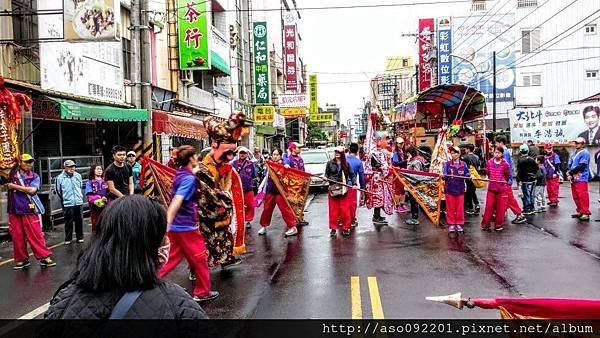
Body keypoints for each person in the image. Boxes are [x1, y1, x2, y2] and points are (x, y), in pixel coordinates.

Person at [44, 195, 208, 320]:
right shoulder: (178, 306)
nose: (166, 242)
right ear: (149, 246)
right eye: (163, 237)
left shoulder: (62, 303)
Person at [158, 145, 219, 303]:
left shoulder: (181, 174)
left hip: (177, 227)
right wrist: (166, 223)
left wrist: (195, 171)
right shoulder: (188, 179)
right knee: (200, 258)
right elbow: (177, 201)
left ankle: (146, 284)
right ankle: (202, 292)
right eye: (195, 155)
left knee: (170, 260)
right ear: (191, 158)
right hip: (186, 228)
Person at [201, 112, 249, 268]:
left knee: (225, 235)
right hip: (206, 215)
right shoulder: (203, 170)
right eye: (227, 152)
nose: (230, 157)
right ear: (214, 146)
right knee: (204, 242)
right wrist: (225, 193)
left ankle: (226, 259)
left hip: (221, 212)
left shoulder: (226, 167)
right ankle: (197, 268)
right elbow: (208, 198)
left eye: (232, 152)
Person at [3, 154, 56, 269]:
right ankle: (21, 259)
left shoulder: (34, 176)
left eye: (31, 162)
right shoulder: (11, 175)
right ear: (20, 162)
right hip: (14, 210)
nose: (29, 164)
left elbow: (32, 190)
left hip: (29, 209)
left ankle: (44, 256)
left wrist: (14, 186)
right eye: (26, 162)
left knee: (35, 234)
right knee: (17, 236)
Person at [258, 148, 298, 237]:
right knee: (266, 209)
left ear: (280, 156)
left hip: (280, 192)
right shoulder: (269, 165)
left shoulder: (284, 165)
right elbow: (265, 177)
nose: (275, 156)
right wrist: (261, 187)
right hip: (270, 190)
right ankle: (264, 226)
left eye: (277, 155)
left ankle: (292, 227)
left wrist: (286, 164)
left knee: (285, 210)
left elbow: (287, 159)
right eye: (273, 154)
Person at [494, 136, 527, 224]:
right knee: (504, 197)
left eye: (496, 143)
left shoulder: (503, 152)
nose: (495, 145)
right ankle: (499, 212)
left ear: (500, 143)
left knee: (509, 198)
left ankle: (519, 215)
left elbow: (504, 168)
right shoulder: (507, 151)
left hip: (504, 180)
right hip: (505, 180)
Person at [364, 131, 394, 225]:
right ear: (379, 140)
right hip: (377, 179)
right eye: (385, 139)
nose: (386, 141)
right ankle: (376, 217)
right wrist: (385, 169)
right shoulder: (375, 153)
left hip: (380, 178)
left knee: (381, 198)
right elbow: (375, 165)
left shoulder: (380, 152)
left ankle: (377, 215)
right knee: (378, 198)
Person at [325, 147, 354, 237]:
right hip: (333, 189)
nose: (337, 153)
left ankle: (346, 228)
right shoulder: (329, 163)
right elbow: (326, 174)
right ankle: (333, 229)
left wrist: (354, 183)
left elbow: (352, 175)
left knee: (345, 210)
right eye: (336, 152)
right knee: (333, 211)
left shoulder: (346, 164)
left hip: (343, 189)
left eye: (339, 152)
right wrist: (328, 179)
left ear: (342, 153)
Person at [481, 147, 511, 231]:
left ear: (502, 154)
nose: (497, 154)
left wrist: (502, 181)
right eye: (495, 152)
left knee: (501, 208)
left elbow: (507, 175)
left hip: (501, 189)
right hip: (491, 188)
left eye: (499, 153)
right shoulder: (489, 162)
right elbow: (488, 173)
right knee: (489, 206)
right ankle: (485, 225)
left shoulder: (505, 164)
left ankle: (498, 225)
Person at [55, 160, 84, 244]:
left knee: (79, 220)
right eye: (69, 167)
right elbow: (58, 191)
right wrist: (65, 198)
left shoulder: (78, 176)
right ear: (65, 167)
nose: (72, 168)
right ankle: (68, 238)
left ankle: (80, 237)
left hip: (78, 201)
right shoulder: (60, 178)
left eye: (73, 166)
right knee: (68, 221)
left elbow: (80, 186)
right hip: (68, 203)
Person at [442, 146, 470, 233]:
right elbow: (444, 175)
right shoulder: (447, 164)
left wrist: (469, 175)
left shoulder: (463, 164)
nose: (453, 155)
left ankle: (459, 223)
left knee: (460, 208)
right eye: (452, 153)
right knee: (450, 208)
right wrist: (444, 176)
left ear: (459, 154)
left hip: (460, 190)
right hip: (449, 189)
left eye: (455, 153)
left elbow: (467, 173)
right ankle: (451, 224)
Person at [284, 141, 308, 226]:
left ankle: (300, 218)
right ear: (293, 149)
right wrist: (286, 165)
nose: (300, 149)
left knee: (301, 202)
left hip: (301, 184)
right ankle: (294, 219)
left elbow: (303, 171)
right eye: (299, 148)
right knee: (293, 203)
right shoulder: (289, 159)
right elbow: (286, 165)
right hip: (293, 186)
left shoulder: (300, 159)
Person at [567, 137, 591, 221]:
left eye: (578, 143)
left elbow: (582, 165)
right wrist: (568, 172)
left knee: (582, 195)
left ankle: (585, 212)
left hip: (581, 177)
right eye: (575, 143)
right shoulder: (574, 153)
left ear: (583, 144)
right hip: (574, 178)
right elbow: (570, 164)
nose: (576, 144)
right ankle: (580, 210)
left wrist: (570, 172)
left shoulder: (585, 153)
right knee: (575, 196)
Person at [232, 147, 257, 229]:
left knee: (250, 204)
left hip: (248, 188)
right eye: (241, 153)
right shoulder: (234, 163)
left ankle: (248, 220)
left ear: (246, 154)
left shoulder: (250, 163)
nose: (242, 155)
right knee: (238, 205)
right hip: (237, 189)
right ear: (238, 154)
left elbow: (253, 175)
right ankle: (239, 220)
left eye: (244, 153)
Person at [346, 143, 365, 227]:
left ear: (349, 150)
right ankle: (352, 220)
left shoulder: (343, 160)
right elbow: (361, 177)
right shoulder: (358, 162)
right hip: (352, 186)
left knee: (343, 203)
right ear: (357, 151)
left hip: (341, 185)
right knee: (352, 204)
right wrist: (362, 189)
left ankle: (341, 219)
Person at [405, 146, 425, 225]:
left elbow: (417, 174)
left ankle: (415, 218)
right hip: (411, 184)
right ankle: (414, 216)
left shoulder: (416, 161)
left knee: (414, 201)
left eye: (408, 153)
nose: (407, 155)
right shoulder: (413, 160)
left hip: (414, 184)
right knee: (412, 201)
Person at [516, 144, 538, 215]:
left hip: (525, 180)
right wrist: (533, 174)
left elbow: (519, 171)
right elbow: (536, 168)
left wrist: (518, 180)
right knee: (532, 194)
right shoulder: (531, 159)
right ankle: (532, 208)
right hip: (533, 179)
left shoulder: (520, 160)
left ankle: (527, 209)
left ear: (520, 151)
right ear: (527, 151)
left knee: (526, 194)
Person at [85, 164, 107, 233]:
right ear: (93, 171)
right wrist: (100, 198)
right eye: (97, 169)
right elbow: (89, 196)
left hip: (106, 206)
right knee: (95, 224)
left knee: (106, 223)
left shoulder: (106, 181)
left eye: (101, 169)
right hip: (95, 207)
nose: (99, 171)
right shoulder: (89, 182)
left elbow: (110, 191)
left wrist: (106, 198)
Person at [462, 143, 481, 215]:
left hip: (468, 177)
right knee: (473, 191)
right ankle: (477, 205)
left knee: (469, 192)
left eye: (466, 149)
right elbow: (479, 167)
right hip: (475, 176)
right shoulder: (477, 157)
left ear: (468, 149)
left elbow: (464, 168)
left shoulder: (465, 158)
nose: (465, 150)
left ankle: (471, 208)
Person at [391, 137, 408, 213]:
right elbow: (395, 163)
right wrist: (405, 161)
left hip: (403, 173)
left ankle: (402, 204)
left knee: (402, 190)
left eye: (402, 143)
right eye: (400, 143)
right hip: (398, 173)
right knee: (398, 189)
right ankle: (397, 206)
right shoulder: (395, 153)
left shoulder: (402, 152)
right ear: (397, 144)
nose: (402, 144)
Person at [543, 143, 561, 207]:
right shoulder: (545, 156)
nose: (549, 149)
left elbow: (557, 164)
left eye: (550, 148)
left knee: (554, 188)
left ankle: (554, 201)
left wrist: (555, 173)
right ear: (545, 149)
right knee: (549, 189)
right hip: (547, 175)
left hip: (553, 175)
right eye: (548, 148)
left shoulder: (555, 155)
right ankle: (551, 200)